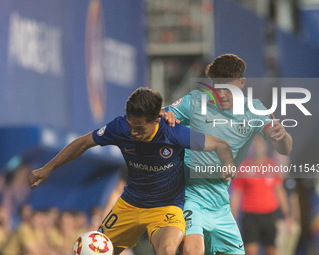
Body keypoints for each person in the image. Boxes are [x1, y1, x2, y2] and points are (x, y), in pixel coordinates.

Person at [29, 88, 236, 255]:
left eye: (140, 128)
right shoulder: (119, 127)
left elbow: (220, 145)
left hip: (166, 208)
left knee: (167, 249)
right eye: (130, 125)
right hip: (129, 206)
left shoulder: (174, 133)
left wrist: (227, 165)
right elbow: (82, 143)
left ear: (156, 120)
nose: (133, 132)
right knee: (93, 252)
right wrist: (47, 168)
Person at [163, 53, 293, 255]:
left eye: (229, 88)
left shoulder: (255, 110)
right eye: (217, 87)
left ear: (242, 83)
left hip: (220, 205)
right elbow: (160, 115)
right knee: (192, 250)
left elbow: (284, 148)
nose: (222, 94)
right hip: (190, 196)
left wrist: (283, 137)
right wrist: (165, 115)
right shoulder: (196, 101)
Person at [230, 134, 292, 255]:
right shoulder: (243, 167)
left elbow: (280, 192)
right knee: (251, 251)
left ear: (265, 147)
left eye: (259, 145)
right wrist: (233, 218)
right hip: (250, 217)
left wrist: (287, 214)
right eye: (254, 145)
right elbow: (236, 195)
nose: (257, 148)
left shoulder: (272, 165)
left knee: (272, 250)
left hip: (269, 215)